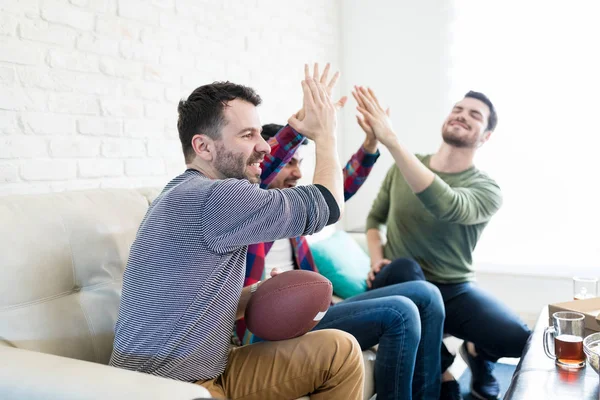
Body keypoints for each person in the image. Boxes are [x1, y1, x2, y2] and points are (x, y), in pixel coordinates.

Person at [108, 67, 365, 400]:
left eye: (260, 134)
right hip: (169, 387)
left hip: (212, 369)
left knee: (338, 351)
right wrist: (326, 135)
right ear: (203, 147)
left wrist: (258, 293)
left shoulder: (182, 193)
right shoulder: (216, 197)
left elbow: (191, 304)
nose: (264, 147)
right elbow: (328, 204)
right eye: (248, 135)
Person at [235, 65, 446, 400]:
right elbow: (264, 168)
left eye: (300, 162)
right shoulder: (242, 207)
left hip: (311, 308)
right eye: (291, 162)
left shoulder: (290, 208)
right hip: (269, 324)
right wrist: (303, 128)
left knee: (427, 295)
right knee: (399, 312)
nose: (298, 172)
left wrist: (371, 141)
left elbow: (339, 188)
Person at [354, 86, 531, 400]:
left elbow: (447, 205)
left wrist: (391, 141)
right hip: (401, 280)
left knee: (521, 341)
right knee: (405, 268)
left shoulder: (486, 189)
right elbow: (374, 220)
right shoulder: (402, 169)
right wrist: (376, 259)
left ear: (485, 136)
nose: (462, 115)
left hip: (452, 287)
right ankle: (444, 372)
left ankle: (478, 355)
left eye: (474, 115)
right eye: (458, 109)